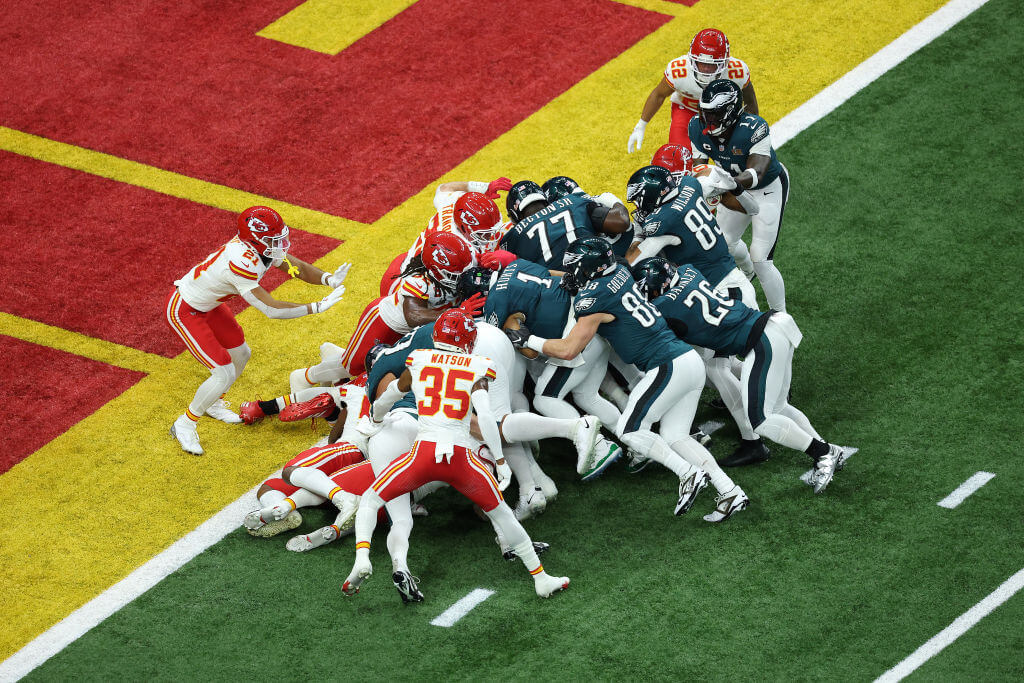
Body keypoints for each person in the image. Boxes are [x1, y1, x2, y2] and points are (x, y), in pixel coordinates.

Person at [506, 237, 748, 522]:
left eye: (576, 268)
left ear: (589, 269)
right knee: (676, 437)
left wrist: (528, 338)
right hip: (686, 360)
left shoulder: (592, 301)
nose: (572, 273)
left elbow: (569, 350)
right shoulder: (619, 271)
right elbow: (587, 284)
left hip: (666, 365)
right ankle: (730, 491)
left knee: (630, 430)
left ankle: (688, 473)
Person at [341, 309, 570, 601]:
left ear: (436, 335)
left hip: (422, 454)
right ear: (470, 341)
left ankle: (362, 557)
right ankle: (540, 578)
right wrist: (500, 459)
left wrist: (375, 418)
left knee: (371, 501)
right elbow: (486, 419)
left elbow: (389, 396)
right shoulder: (478, 367)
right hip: (459, 459)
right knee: (502, 514)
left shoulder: (419, 360)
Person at [632, 258, 857, 491]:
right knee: (778, 407)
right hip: (776, 325)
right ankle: (829, 450)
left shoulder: (663, 308)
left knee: (760, 420)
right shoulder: (690, 271)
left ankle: (824, 453)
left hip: (761, 340)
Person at [164, 205, 349, 455]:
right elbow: (271, 309)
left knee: (241, 354)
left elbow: (296, 267)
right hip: (187, 309)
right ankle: (185, 423)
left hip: (211, 304)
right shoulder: (241, 261)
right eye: (273, 239)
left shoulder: (259, 247)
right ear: (254, 239)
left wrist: (328, 279)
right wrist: (315, 307)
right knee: (222, 371)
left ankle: (213, 402)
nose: (280, 244)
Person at [690, 79, 790, 312]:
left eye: (714, 114)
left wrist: (725, 182)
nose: (708, 120)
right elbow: (699, 165)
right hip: (730, 186)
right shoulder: (696, 126)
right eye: (705, 113)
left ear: (731, 112)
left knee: (761, 257)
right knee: (721, 244)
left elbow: (756, 172)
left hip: (766, 188)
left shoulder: (754, 127)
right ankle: (747, 273)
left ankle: (781, 314)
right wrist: (703, 182)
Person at [336, 231, 480, 379]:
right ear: (435, 271)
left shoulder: (463, 262)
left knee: (384, 372)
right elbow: (413, 315)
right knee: (352, 369)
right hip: (383, 324)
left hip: (410, 333)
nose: (461, 278)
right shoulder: (419, 282)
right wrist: (455, 313)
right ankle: (311, 374)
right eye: (454, 276)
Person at [627, 28, 758, 153]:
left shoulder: (737, 72)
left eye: (712, 64)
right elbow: (659, 95)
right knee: (679, 155)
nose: (706, 69)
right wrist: (641, 125)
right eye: (702, 63)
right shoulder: (678, 71)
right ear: (691, 60)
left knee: (736, 158)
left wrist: (750, 129)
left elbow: (750, 102)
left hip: (723, 115)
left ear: (724, 63)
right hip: (687, 112)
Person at [379, 179, 511, 296]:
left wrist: (482, 188)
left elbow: (444, 188)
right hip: (409, 288)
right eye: (484, 232)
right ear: (464, 228)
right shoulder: (465, 252)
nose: (490, 235)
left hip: (404, 263)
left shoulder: (454, 205)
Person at [499, 188, 632, 269]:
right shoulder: (574, 201)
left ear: (515, 215)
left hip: (564, 289)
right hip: (604, 267)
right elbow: (622, 221)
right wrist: (608, 198)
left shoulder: (514, 236)